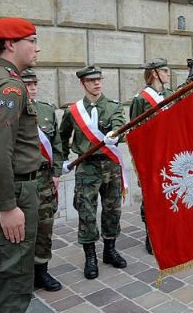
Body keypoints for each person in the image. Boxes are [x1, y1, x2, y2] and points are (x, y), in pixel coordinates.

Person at [0, 17, 41, 312]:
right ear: (9, 44)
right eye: (31, 41)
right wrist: (7, 205)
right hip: (14, 191)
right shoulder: (9, 86)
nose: (37, 48)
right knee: (10, 279)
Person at [59, 66, 127, 279]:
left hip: (110, 165)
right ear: (83, 83)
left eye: (99, 79)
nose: (97, 83)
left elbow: (120, 125)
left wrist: (115, 135)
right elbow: (62, 137)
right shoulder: (73, 111)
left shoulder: (113, 107)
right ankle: (90, 256)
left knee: (112, 209)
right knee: (86, 212)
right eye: (91, 80)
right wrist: (61, 160)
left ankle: (110, 249)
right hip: (87, 167)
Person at [21, 69, 63, 292]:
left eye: (35, 83)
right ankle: (23, 275)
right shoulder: (10, 112)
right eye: (28, 84)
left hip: (45, 179)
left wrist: (56, 173)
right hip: (24, 181)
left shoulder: (46, 110)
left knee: (45, 227)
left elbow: (56, 145)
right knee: (23, 229)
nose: (33, 87)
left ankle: (42, 271)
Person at [130, 58, 173, 254]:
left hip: (170, 152)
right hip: (151, 155)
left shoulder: (171, 94)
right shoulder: (141, 99)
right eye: (165, 70)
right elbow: (135, 131)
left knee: (170, 192)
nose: (168, 73)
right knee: (151, 195)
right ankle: (151, 233)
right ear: (155, 73)